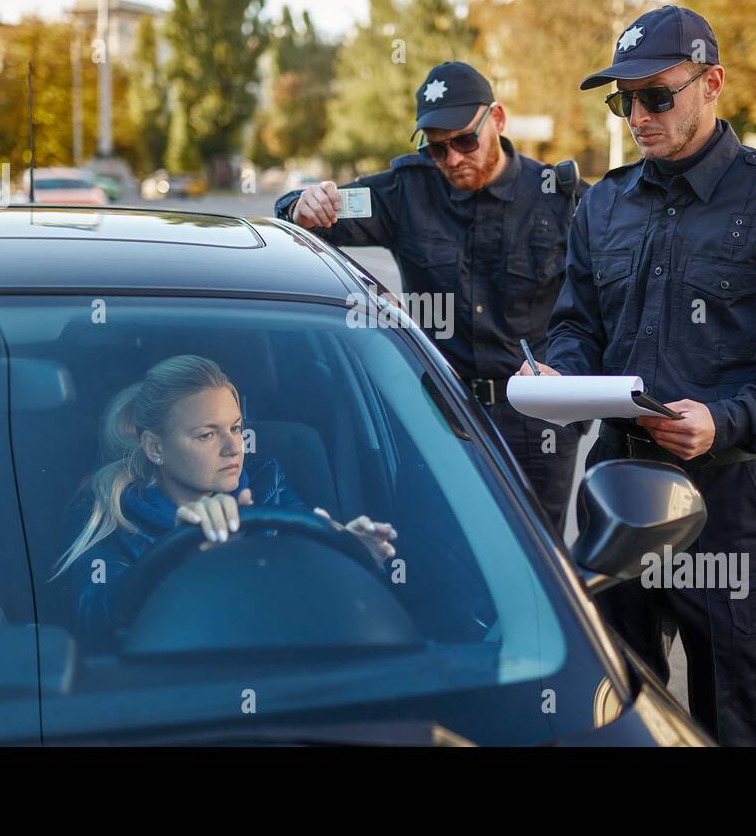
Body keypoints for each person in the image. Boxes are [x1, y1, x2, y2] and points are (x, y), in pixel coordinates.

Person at [516, 6, 756, 746]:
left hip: (728, 506)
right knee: (616, 713)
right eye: (622, 100)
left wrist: (725, 420)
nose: (637, 115)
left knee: (731, 716)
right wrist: (558, 375)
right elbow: (579, 325)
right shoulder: (603, 204)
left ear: (714, 85)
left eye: (656, 95)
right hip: (617, 494)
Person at [275, 61, 586, 534]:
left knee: (537, 561)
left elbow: (598, 310)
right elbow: (309, 216)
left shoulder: (557, 197)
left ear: (497, 120)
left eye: (464, 141)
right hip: (442, 414)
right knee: (443, 550)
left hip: (534, 423)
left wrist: (574, 402)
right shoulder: (407, 191)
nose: (452, 159)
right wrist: (300, 203)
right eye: (436, 149)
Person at [52, 354, 396, 647]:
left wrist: (350, 555)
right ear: (155, 447)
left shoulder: (266, 484)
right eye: (207, 435)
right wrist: (182, 562)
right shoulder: (106, 513)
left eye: (235, 428)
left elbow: (307, 577)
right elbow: (94, 622)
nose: (234, 447)